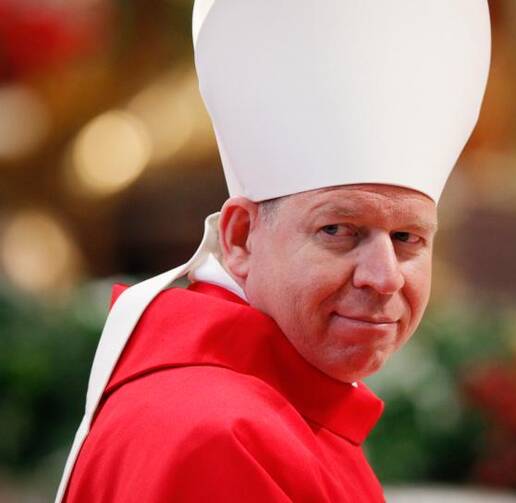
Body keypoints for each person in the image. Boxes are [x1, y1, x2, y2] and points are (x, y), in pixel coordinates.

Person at [56, 1, 491, 501]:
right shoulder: (218, 436)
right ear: (240, 238)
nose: (384, 276)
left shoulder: (284, 407)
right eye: (339, 230)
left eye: (407, 238)